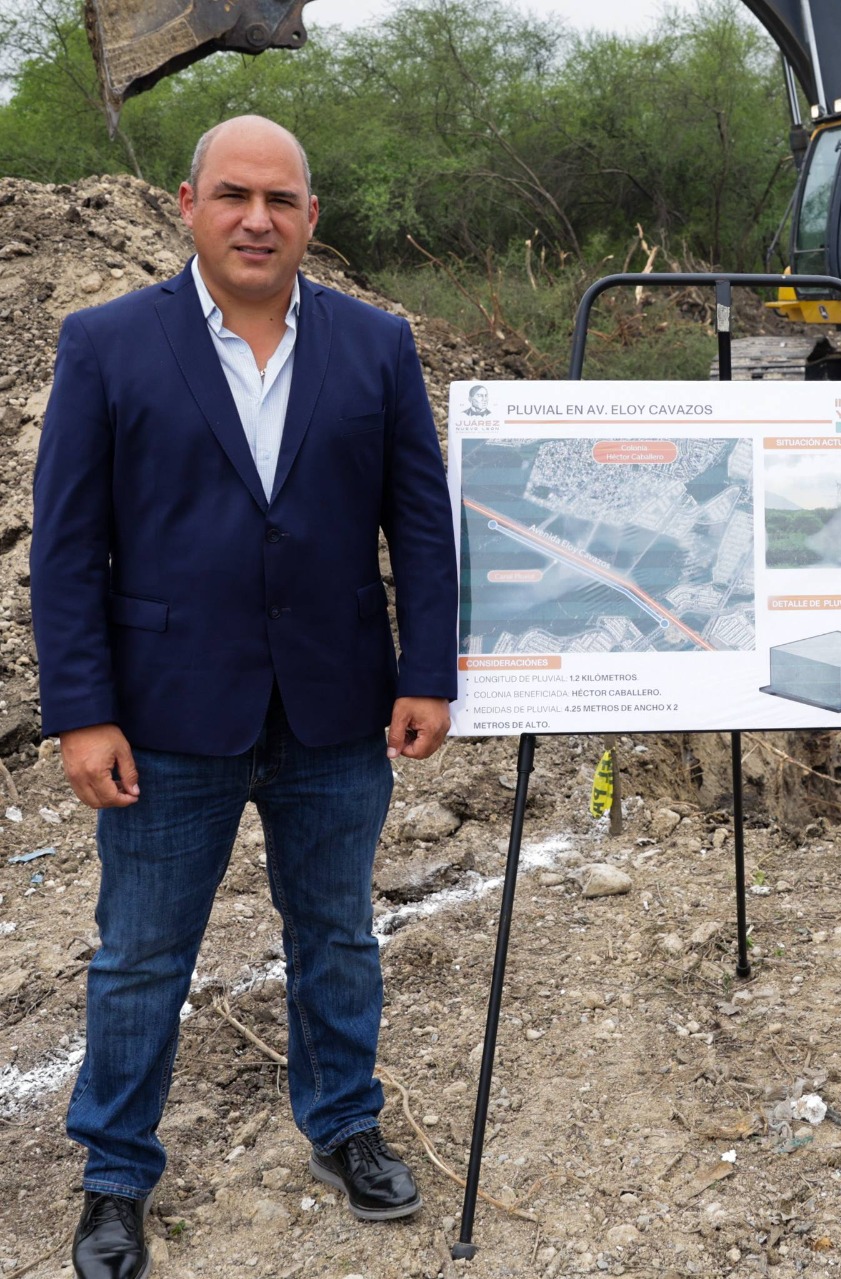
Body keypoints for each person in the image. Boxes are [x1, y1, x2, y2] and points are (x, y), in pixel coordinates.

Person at [31, 115, 460, 1279]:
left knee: (335, 935)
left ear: (312, 217)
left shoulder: (376, 346)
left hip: (336, 712)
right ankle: (115, 1178)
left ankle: (345, 1126)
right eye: (233, 195)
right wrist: (81, 710)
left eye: (280, 199)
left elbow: (418, 522)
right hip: (167, 718)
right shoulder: (108, 343)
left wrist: (428, 671)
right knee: (140, 956)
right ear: (188, 204)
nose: (256, 218)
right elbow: (66, 549)